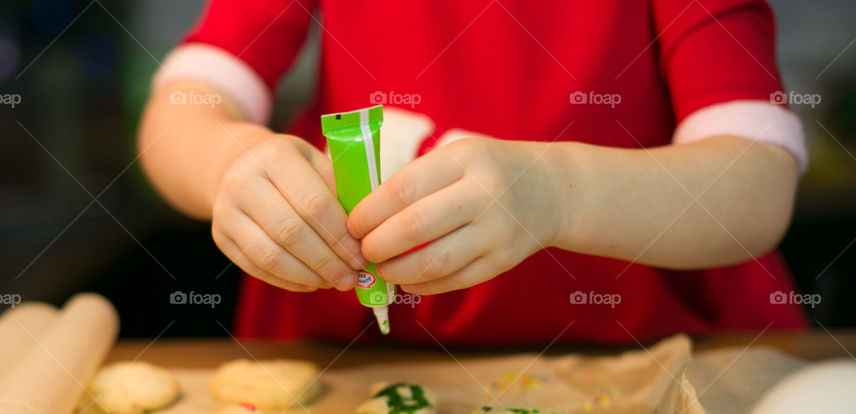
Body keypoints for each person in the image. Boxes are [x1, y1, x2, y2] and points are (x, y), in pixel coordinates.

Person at [138, 0, 807, 344]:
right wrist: (226, 161)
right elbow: (185, 110)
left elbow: (754, 184)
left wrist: (559, 194)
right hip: (351, 358)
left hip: (645, 357)